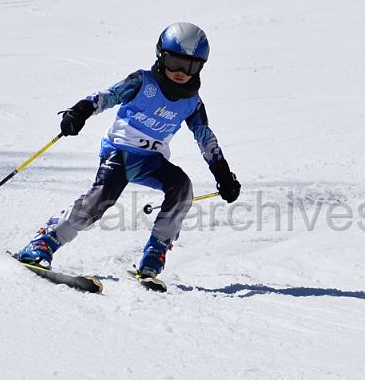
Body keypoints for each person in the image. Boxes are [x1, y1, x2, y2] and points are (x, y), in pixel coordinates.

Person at [15, 22, 240, 282]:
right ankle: (44, 243)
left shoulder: (192, 103)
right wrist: (80, 111)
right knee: (100, 199)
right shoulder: (143, 82)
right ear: (160, 56)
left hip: (151, 160)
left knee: (182, 187)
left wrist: (223, 174)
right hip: (119, 152)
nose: (180, 72)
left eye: (190, 66)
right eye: (174, 62)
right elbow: (108, 96)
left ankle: (154, 255)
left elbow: (205, 137)